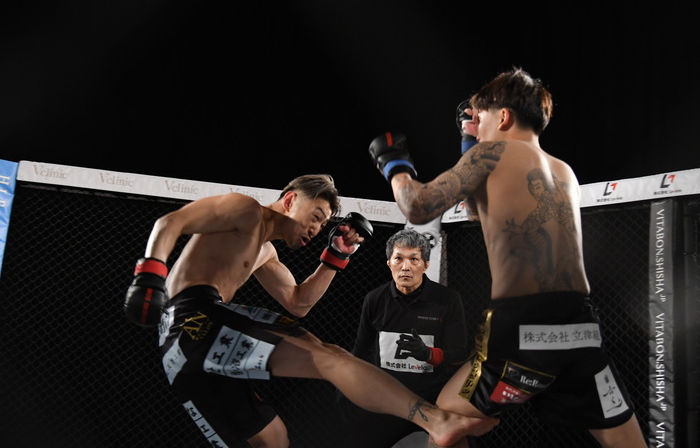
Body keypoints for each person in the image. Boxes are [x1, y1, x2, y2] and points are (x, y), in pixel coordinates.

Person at [368, 68, 647, 448]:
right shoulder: (564, 171)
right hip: (580, 329)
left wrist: (393, 163)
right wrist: (468, 141)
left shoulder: (492, 153)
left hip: (523, 327)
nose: (477, 127)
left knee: (446, 418)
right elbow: (477, 213)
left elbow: (417, 207)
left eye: (480, 118)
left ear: (503, 117)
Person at [123, 174, 498, 448]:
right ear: (290, 199)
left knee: (272, 439)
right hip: (193, 319)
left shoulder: (265, 251)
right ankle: (435, 419)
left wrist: (336, 256)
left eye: (323, 223)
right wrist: (149, 274)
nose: (317, 228)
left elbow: (298, 302)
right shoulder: (244, 209)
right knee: (329, 357)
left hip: (183, 350)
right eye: (316, 215)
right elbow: (170, 222)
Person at [339, 228, 469, 448]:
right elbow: (360, 349)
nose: (405, 267)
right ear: (389, 263)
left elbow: (460, 354)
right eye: (398, 258)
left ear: (425, 265)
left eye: (414, 259)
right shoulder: (375, 299)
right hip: (386, 400)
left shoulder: (447, 300)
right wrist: (345, 386)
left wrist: (427, 354)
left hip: (431, 402)